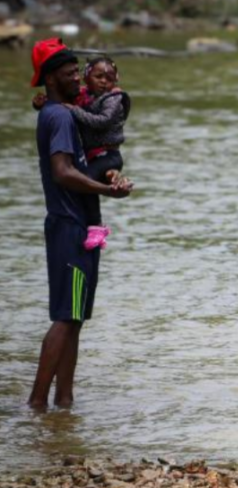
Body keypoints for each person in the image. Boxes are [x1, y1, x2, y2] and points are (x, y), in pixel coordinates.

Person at [28, 38, 133, 409]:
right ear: (52, 78)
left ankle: (64, 405)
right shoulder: (58, 116)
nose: (79, 79)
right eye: (72, 74)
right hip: (69, 227)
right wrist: (108, 194)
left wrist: (111, 177)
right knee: (65, 317)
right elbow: (63, 172)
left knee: (75, 319)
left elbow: (91, 160)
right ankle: (37, 404)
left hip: (82, 227)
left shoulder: (68, 111)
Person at [34, 56, 131, 250]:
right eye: (99, 76)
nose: (104, 81)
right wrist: (41, 103)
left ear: (116, 81)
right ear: (87, 77)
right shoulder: (85, 95)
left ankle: (96, 226)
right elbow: (63, 99)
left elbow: (100, 121)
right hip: (94, 156)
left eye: (109, 78)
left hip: (108, 155)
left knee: (85, 181)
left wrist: (73, 110)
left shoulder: (114, 99)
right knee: (87, 180)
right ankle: (94, 221)